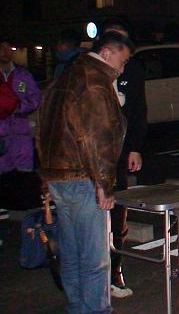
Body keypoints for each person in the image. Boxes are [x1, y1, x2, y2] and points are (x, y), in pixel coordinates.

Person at [36, 31, 133, 314]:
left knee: (72, 252)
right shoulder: (94, 83)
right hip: (84, 177)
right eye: (122, 62)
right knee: (94, 257)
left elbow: (41, 129)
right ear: (106, 53)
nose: (121, 69)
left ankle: (78, 306)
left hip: (58, 176)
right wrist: (104, 184)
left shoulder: (63, 78)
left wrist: (45, 176)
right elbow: (96, 138)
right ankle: (95, 309)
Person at [97, 17, 148, 298]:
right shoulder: (88, 72)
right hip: (92, 158)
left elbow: (138, 109)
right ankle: (95, 283)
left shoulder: (132, 69)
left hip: (118, 153)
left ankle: (115, 271)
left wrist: (135, 147)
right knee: (92, 221)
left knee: (118, 215)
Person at [0, 39, 42, 210]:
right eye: (2, 48)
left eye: (8, 48)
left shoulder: (22, 75)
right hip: (2, 132)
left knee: (24, 169)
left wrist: (18, 106)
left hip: (20, 131)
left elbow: (35, 97)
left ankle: (23, 208)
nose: (6, 52)